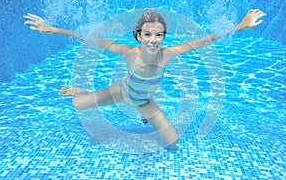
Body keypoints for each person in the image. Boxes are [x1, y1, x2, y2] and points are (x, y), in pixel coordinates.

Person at [24, 9, 266, 146]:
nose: (153, 39)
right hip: (121, 91)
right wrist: (54, 29)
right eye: (148, 34)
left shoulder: (168, 55)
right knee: (78, 104)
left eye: (159, 35)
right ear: (138, 35)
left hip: (144, 102)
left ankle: (143, 115)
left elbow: (203, 41)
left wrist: (239, 27)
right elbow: (92, 40)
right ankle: (80, 91)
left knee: (173, 142)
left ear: (164, 37)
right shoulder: (129, 53)